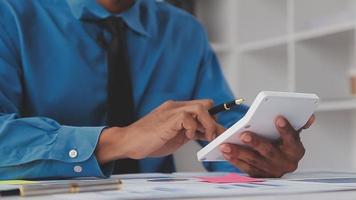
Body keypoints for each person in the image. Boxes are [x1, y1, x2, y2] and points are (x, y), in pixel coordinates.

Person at [0, 0, 314, 180]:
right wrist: (121, 140)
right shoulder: (9, 14)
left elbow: (220, 126)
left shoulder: (184, 30)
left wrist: (258, 151)